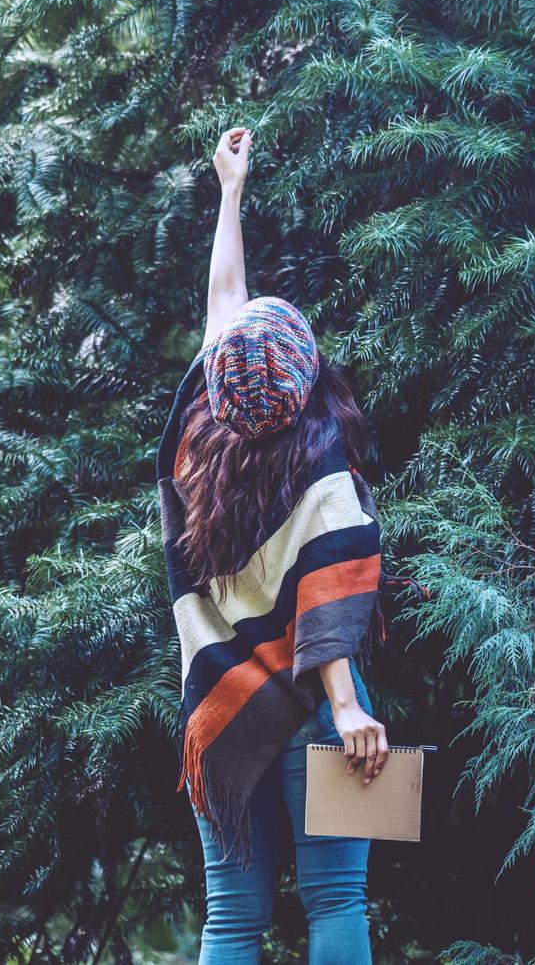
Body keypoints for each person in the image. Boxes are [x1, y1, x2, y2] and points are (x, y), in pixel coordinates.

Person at [155, 126, 389, 965]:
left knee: (229, 920)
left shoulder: (198, 438)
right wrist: (349, 706)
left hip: (220, 701)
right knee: (335, 900)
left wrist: (230, 192)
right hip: (317, 702)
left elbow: (226, 311)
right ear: (305, 375)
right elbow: (328, 591)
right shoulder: (317, 464)